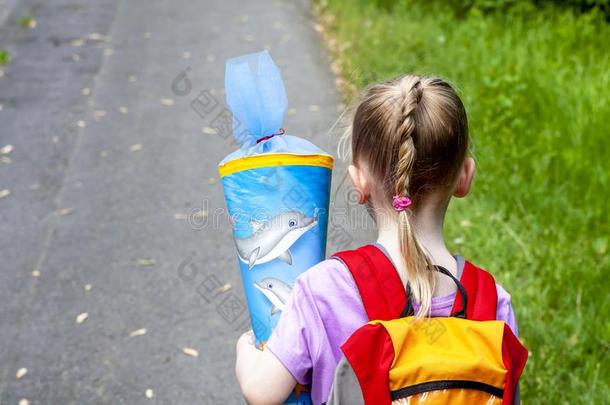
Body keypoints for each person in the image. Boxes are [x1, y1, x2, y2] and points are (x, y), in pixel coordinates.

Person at [235, 75, 520, 405]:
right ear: (464, 177)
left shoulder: (324, 289)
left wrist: (245, 352)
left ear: (359, 182)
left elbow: (262, 393)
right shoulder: (492, 302)